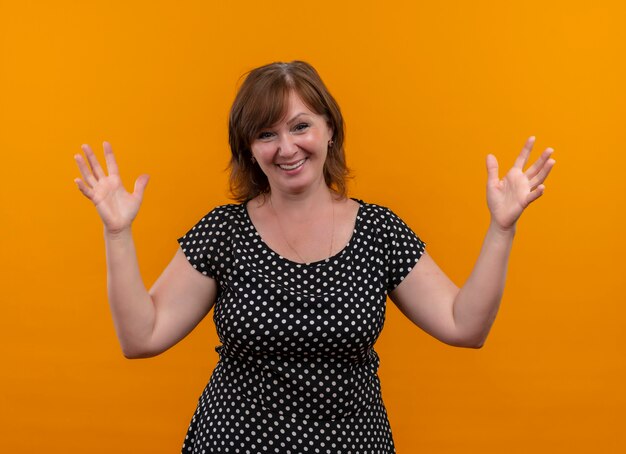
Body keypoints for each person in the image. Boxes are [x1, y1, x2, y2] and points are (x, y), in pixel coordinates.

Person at [74, 60, 555, 453]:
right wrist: (117, 234)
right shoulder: (224, 232)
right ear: (250, 149)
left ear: (330, 130)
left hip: (353, 444)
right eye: (266, 134)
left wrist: (502, 227)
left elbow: (464, 326)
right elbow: (141, 338)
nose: (287, 148)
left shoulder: (378, 232)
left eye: (300, 126)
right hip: (235, 443)